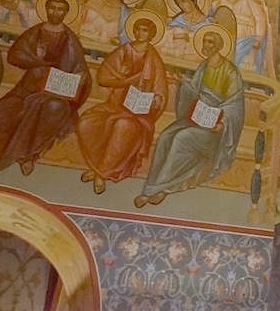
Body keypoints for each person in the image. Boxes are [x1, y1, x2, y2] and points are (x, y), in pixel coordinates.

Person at [0, 0, 90, 179]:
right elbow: (15, 55)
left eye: (60, 9)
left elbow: (81, 68)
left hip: (55, 93)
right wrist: (36, 60)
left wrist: (80, 76)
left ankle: (29, 156)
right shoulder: (35, 33)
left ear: (66, 13)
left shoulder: (71, 40)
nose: (56, 12)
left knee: (52, 108)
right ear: (46, 9)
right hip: (27, 90)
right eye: (52, 8)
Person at [136, 26, 245, 208]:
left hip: (213, 127)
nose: (206, 45)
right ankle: (155, 184)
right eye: (205, 41)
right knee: (165, 137)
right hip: (196, 118)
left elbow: (235, 105)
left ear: (219, 46)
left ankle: (154, 190)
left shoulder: (230, 72)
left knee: (181, 138)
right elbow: (194, 93)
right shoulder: (204, 66)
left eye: (210, 42)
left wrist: (223, 123)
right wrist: (183, 84)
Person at [76, 14, 170, 193]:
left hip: (137, 114)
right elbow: (103, 77)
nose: (141, 33)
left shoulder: (154, 60)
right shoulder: (123, 51)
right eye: (138, 29)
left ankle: (100, 173)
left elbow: (161, 92)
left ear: (151, 34)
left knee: (123, 126)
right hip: (114, 105)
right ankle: (97, 168)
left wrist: (154, 101)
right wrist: (125, 81)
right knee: (86, 123)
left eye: (145, 30)